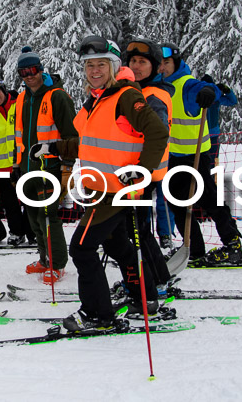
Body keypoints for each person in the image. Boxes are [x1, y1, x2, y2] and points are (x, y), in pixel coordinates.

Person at [62, 36, 168, 332]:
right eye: (89, 65)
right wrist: (54, 147)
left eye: (101, 64)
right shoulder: (99, 99)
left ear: (113, 66)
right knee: (120, 245)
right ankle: (144, 299)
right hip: (102, 188)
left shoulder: (125, 96)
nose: (95, 70)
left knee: (82, 248)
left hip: (115, 189)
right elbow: (88, 142)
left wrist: (141, 171)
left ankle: (98, 315)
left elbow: (158, 132)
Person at [157, 42, 242, 265]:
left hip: (196, 156)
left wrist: (210, 90)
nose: (162, 68)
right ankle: (193, 248)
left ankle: (232, 243)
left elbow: (210, 89)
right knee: (178, 205)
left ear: (176, 63)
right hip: (174, 158)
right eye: (159, 63)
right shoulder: (160, 87)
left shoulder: (187, 84)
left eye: (166, 63)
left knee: (209, 200)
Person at [12, 46, 78, 285]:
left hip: (49, 166)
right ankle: (44, 259)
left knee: (49, 216)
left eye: (33, 69)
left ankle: (58, 263)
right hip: (27, 167)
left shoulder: (57, 96)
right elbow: (17, 134)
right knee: (33, 217)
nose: (29, 75)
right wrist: (16, 164)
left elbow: (72, 136)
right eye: (23, 72)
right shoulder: (22, 98)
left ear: (41, 69)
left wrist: (67, 168)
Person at [123, 39, 173, 285]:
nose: (136, 66)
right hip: (137, 172)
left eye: (143, 62)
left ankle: (151, 280)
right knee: (139, 229)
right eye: (133, 61)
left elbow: (158, 134)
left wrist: (141, 169)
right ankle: (159, 276)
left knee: (136, 230)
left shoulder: (152, 96)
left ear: (154, 67)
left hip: (144, 173)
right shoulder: (138, 91)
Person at [0, 78, 34, 246]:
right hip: (2, 168)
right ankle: (16, 232)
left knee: (30, 200)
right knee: (10, 205)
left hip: (23, 164)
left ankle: (32, 232)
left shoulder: (20, 105)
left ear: (3, 90)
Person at [200, 74, 238, 171]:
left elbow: (232, 101)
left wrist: (227, 91)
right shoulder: (198, 96)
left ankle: (212, 181)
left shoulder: (216, 97)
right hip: (200, 134)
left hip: (213, 134)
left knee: (212, 161)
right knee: (202, 161)